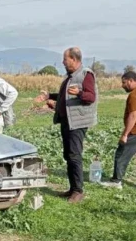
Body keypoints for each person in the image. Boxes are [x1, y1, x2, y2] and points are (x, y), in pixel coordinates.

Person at [34, 47, 98, 203]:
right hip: (67, 121)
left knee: (74, 155)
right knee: (68, 155)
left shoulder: (86, 75)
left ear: (74, 60)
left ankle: (78, 191)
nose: (63, 62)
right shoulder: (70, 76)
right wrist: (49, 96)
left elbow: (91, 97)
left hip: (78, 122)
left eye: (65, 59)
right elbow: (63, 96)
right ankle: (72, 188)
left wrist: (80, 93)